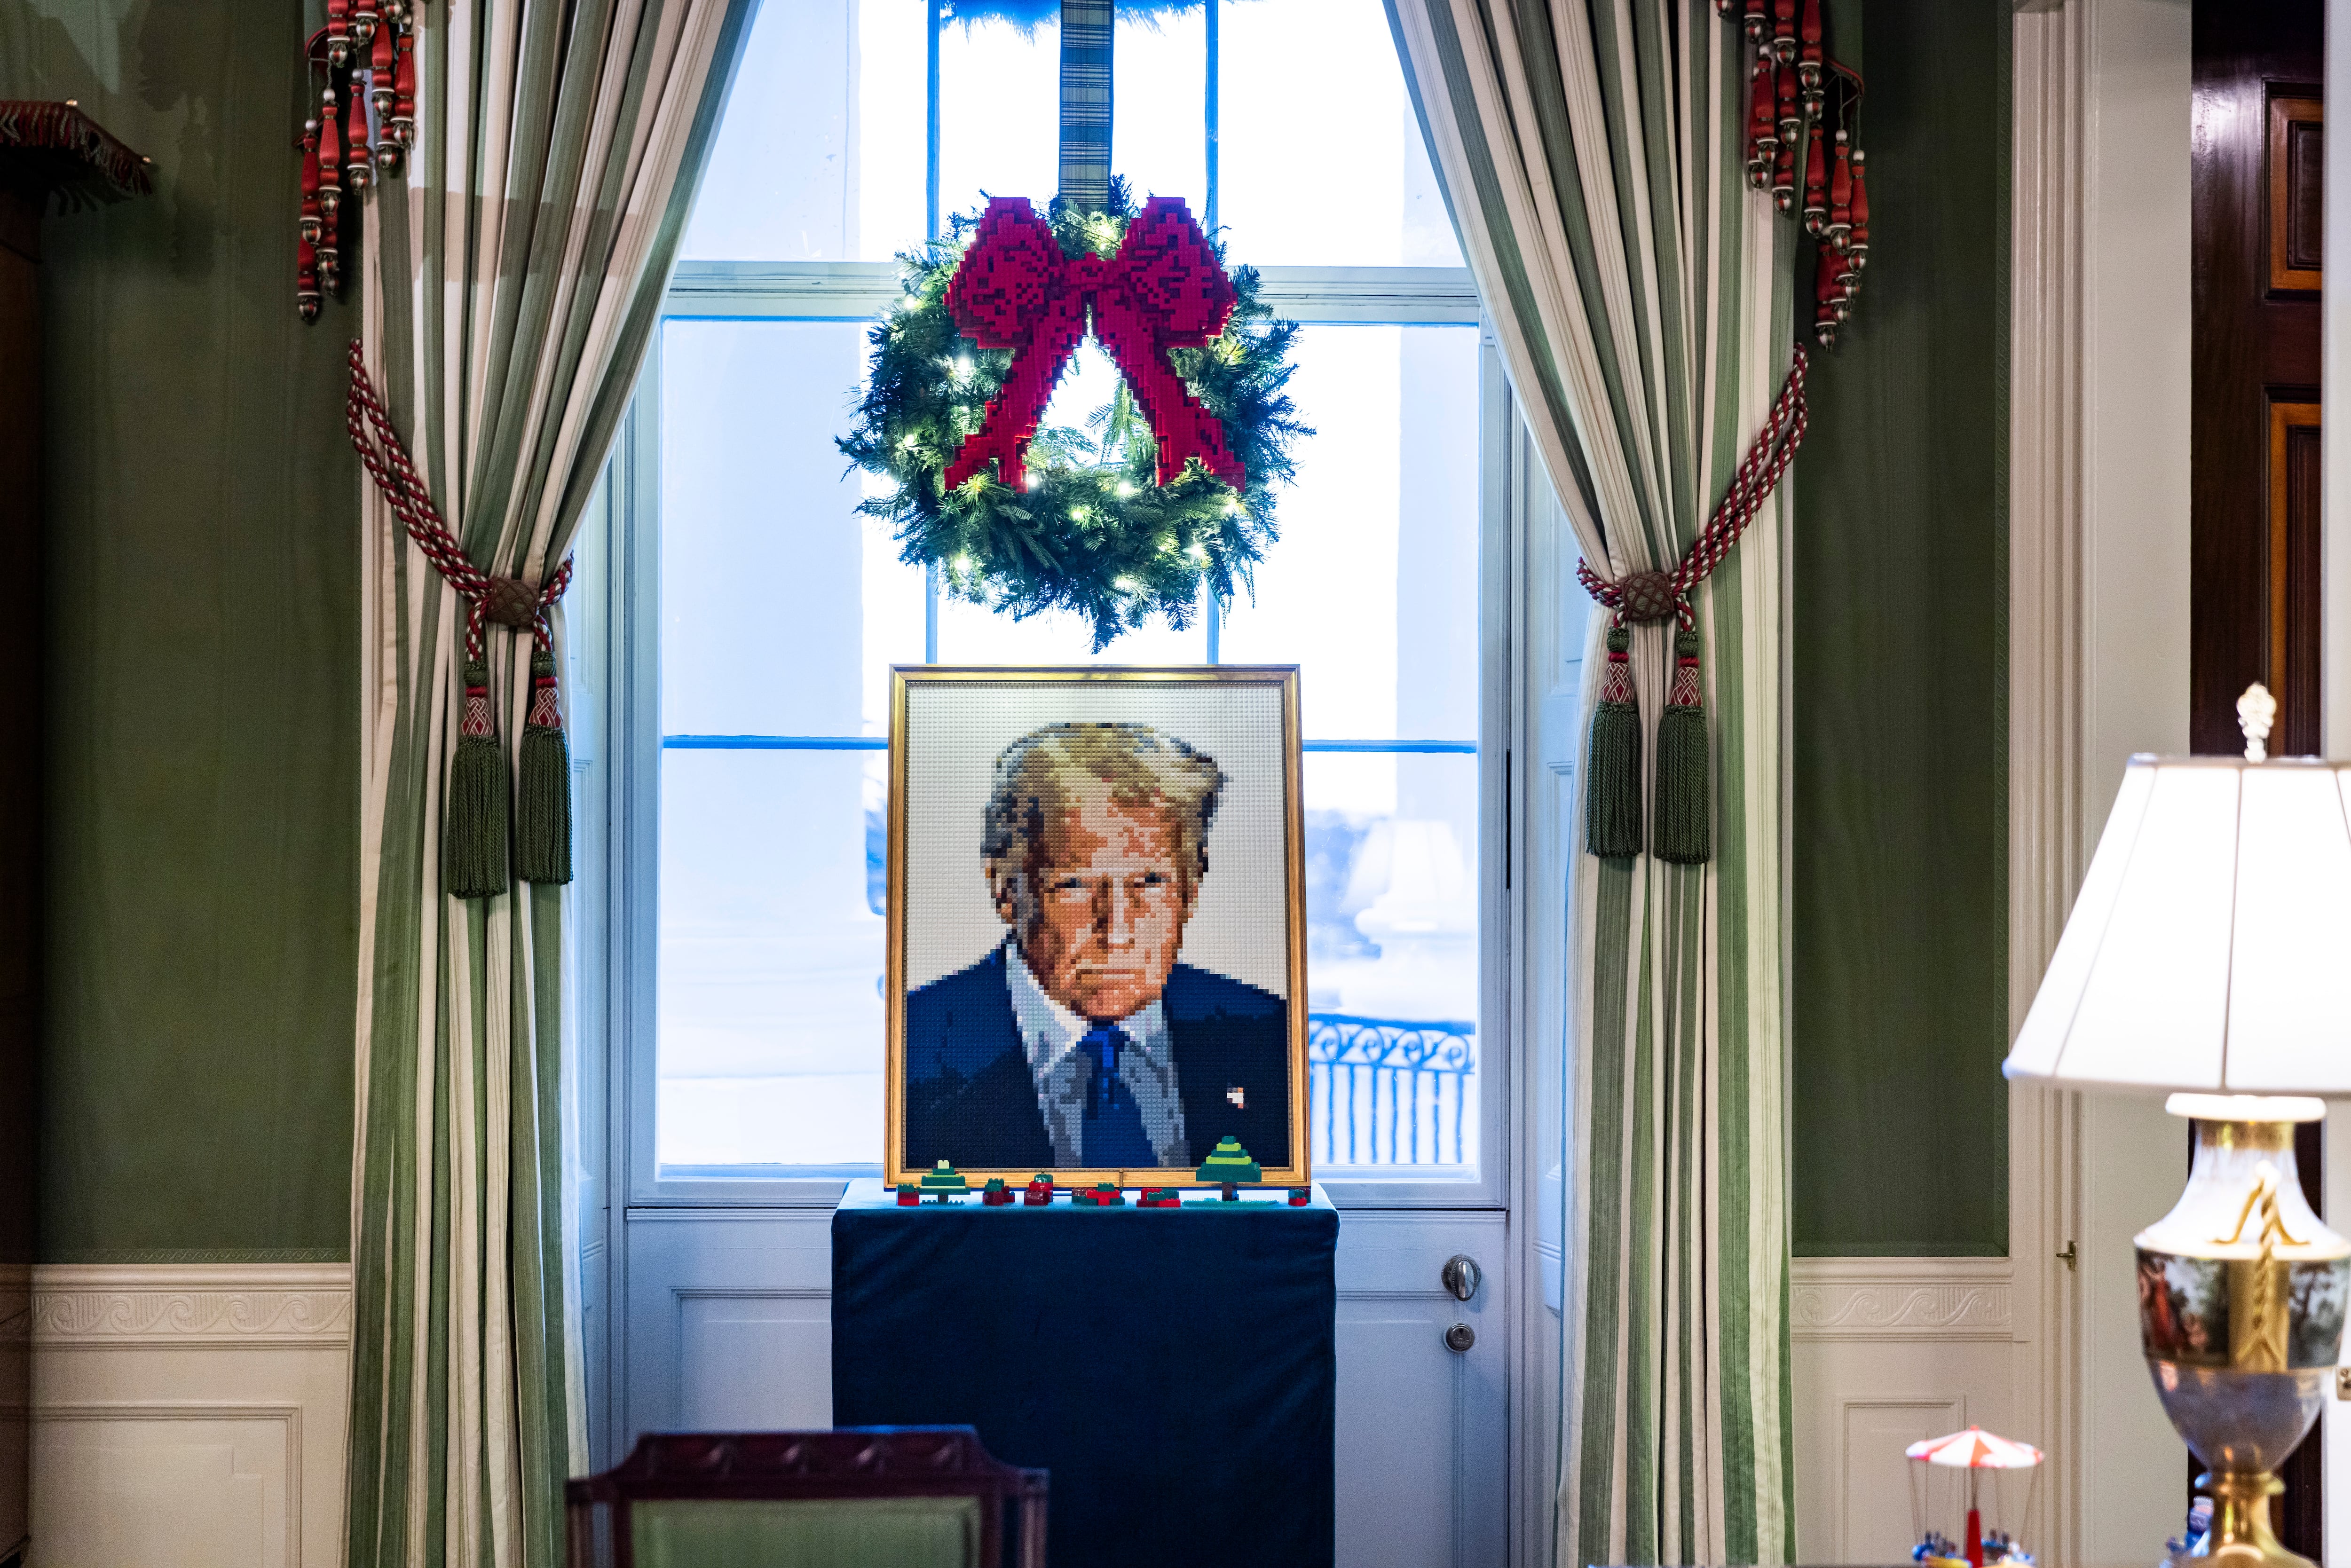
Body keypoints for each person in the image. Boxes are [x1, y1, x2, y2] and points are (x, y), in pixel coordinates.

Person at [902, 721, 1291, 1172]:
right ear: (1007, 889)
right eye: (1076, 885)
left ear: (1190, 888)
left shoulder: (1263, 1033)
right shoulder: (918, 1042)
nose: (1118, 930)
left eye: (1150, 883)